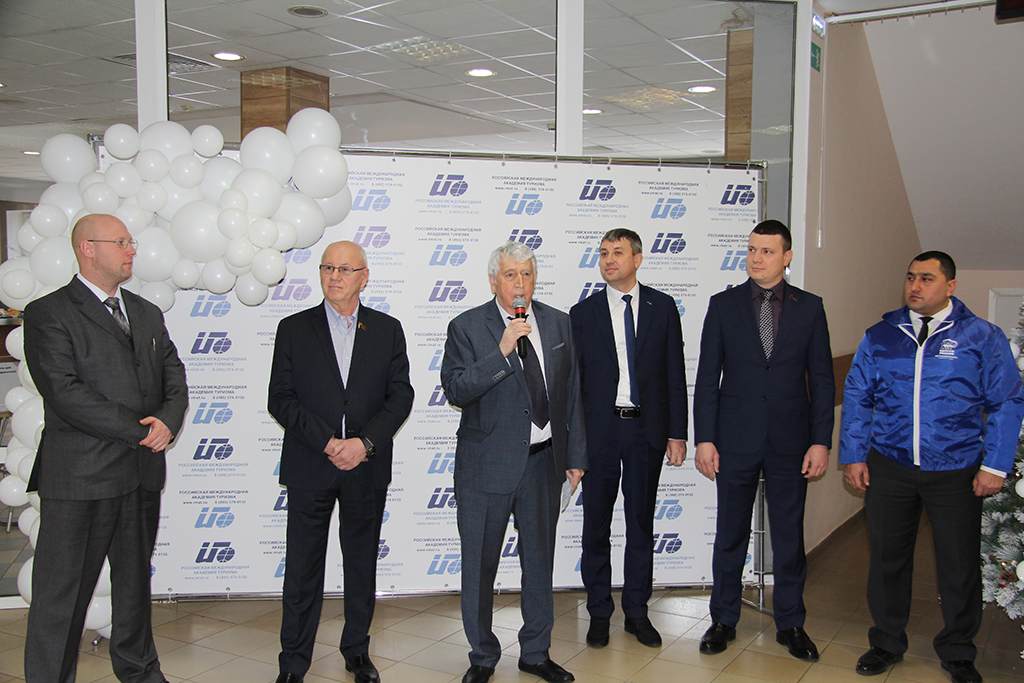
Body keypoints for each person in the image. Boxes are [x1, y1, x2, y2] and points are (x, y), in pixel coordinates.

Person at [840, 251, 1024, 683]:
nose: (915, 286)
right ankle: (886, 642)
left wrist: (995, 465)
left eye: (926, 278)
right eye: (910, 278)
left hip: (956, 468)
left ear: (950, 286)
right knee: (887, 559)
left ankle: (958, 650)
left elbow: (1006, 400)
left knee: (959, 564)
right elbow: (858, 396)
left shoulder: (982, 336)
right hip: (890, 465)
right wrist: (853, 455)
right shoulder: (881, 336)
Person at [23, 213, 188, 683]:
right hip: (80, 479)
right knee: (62, 596)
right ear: (87, 248)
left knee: (134, 588)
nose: (131, 250)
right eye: (121, 242)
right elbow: (65, 391)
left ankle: (140, 672)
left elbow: (173, 375)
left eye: (131, 241)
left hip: (140, 475)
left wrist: (168, 421)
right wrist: (141, 430)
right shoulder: (49, 312)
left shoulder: (146, 312)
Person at [440, 241, 587, 683]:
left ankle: (536, 652)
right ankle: (483, 656)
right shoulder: (467, 327)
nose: (519, 283)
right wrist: (502, 350)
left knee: (539, 563)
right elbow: (456, 390)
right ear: (493, 281)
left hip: (543, 463)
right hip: (486, 466)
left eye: (526, 274)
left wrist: (575, 456)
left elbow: (572, 394)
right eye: (510, 275)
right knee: (480, 565)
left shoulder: (558, 322)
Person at [268, 241, 413, 683]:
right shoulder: (293, 328)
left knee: (361, 564)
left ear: (363, 278)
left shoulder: (387, 329)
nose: (335, 276)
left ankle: (356, 652)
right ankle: (293, 662)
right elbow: (280, 398)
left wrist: (364, 444)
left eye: (345, 269)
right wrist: (329, 443)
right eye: (328, 267)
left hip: (366, 467)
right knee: (302, 570)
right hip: (311, 463)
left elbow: (400, 396)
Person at [693, 219, 835, 661]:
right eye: (752, 249)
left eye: (767, 251)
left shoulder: (810, 307)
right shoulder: (724, 305)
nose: (756, 258)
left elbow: (823, 380)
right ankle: (723, 619)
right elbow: (707, 377)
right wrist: (705, 439)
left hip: (792, 442)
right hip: (735, 439)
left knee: (789, 536)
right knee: (730, 534)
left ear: (786, 257)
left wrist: (821, 441)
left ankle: (790, 623)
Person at [569, 228, 688, 649]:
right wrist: (574, 442)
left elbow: (675, 372)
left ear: (637, 259)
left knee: (640, 523)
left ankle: (637, 611)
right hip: (599, 433)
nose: (608, 260)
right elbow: (573, 385)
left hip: (646, 430)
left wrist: (677, 433)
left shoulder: (662, 306)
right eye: (603, 253)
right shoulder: (582, 313)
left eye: (617, 252)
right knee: (595, 526)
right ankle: (599, 612)